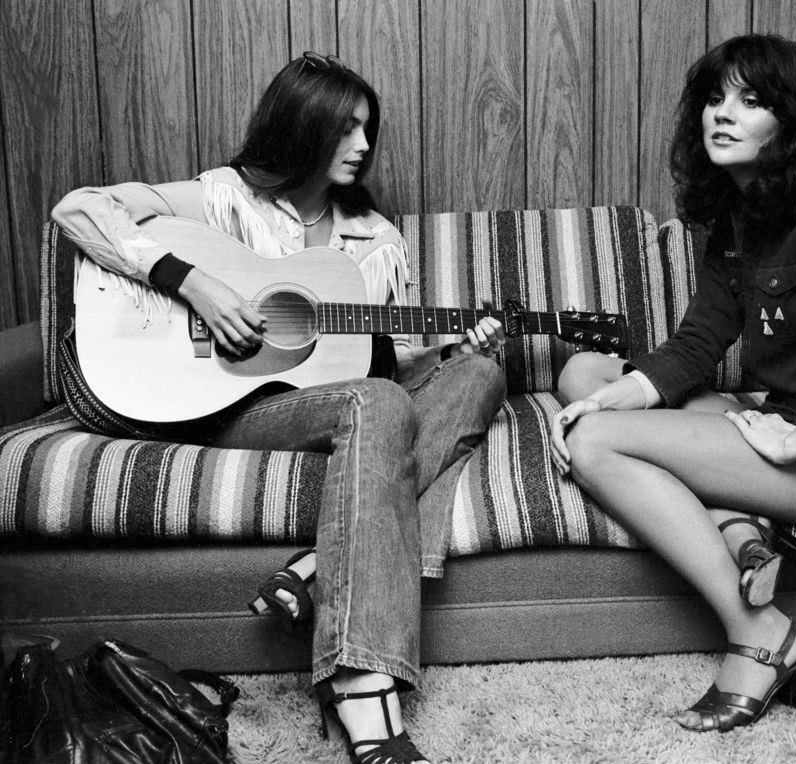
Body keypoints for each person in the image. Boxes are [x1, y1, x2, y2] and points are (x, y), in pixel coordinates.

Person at [52, 52, 508, 763]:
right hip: (232, 407)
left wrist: (448, 348)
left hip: (335, 399)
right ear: (302, 127)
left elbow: (369, 363)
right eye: (346, 129)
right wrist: (192, 281)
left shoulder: (377, 241)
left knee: (479, 372)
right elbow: (78, 208)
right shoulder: (222, 199)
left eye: (367, 130)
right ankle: (365, 691)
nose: (363, 146)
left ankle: (319, 568)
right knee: (377, 403)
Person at [549, 34, 796, 732]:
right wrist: (607, 398)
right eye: (715, 99)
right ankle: (747, 534)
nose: (724, 113)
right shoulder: (737, 218)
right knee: (583, 375)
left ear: (792, 121)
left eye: (752, 101)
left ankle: (762, 634)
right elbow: (696, 346)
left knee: (594, 446)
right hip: (776, 417)